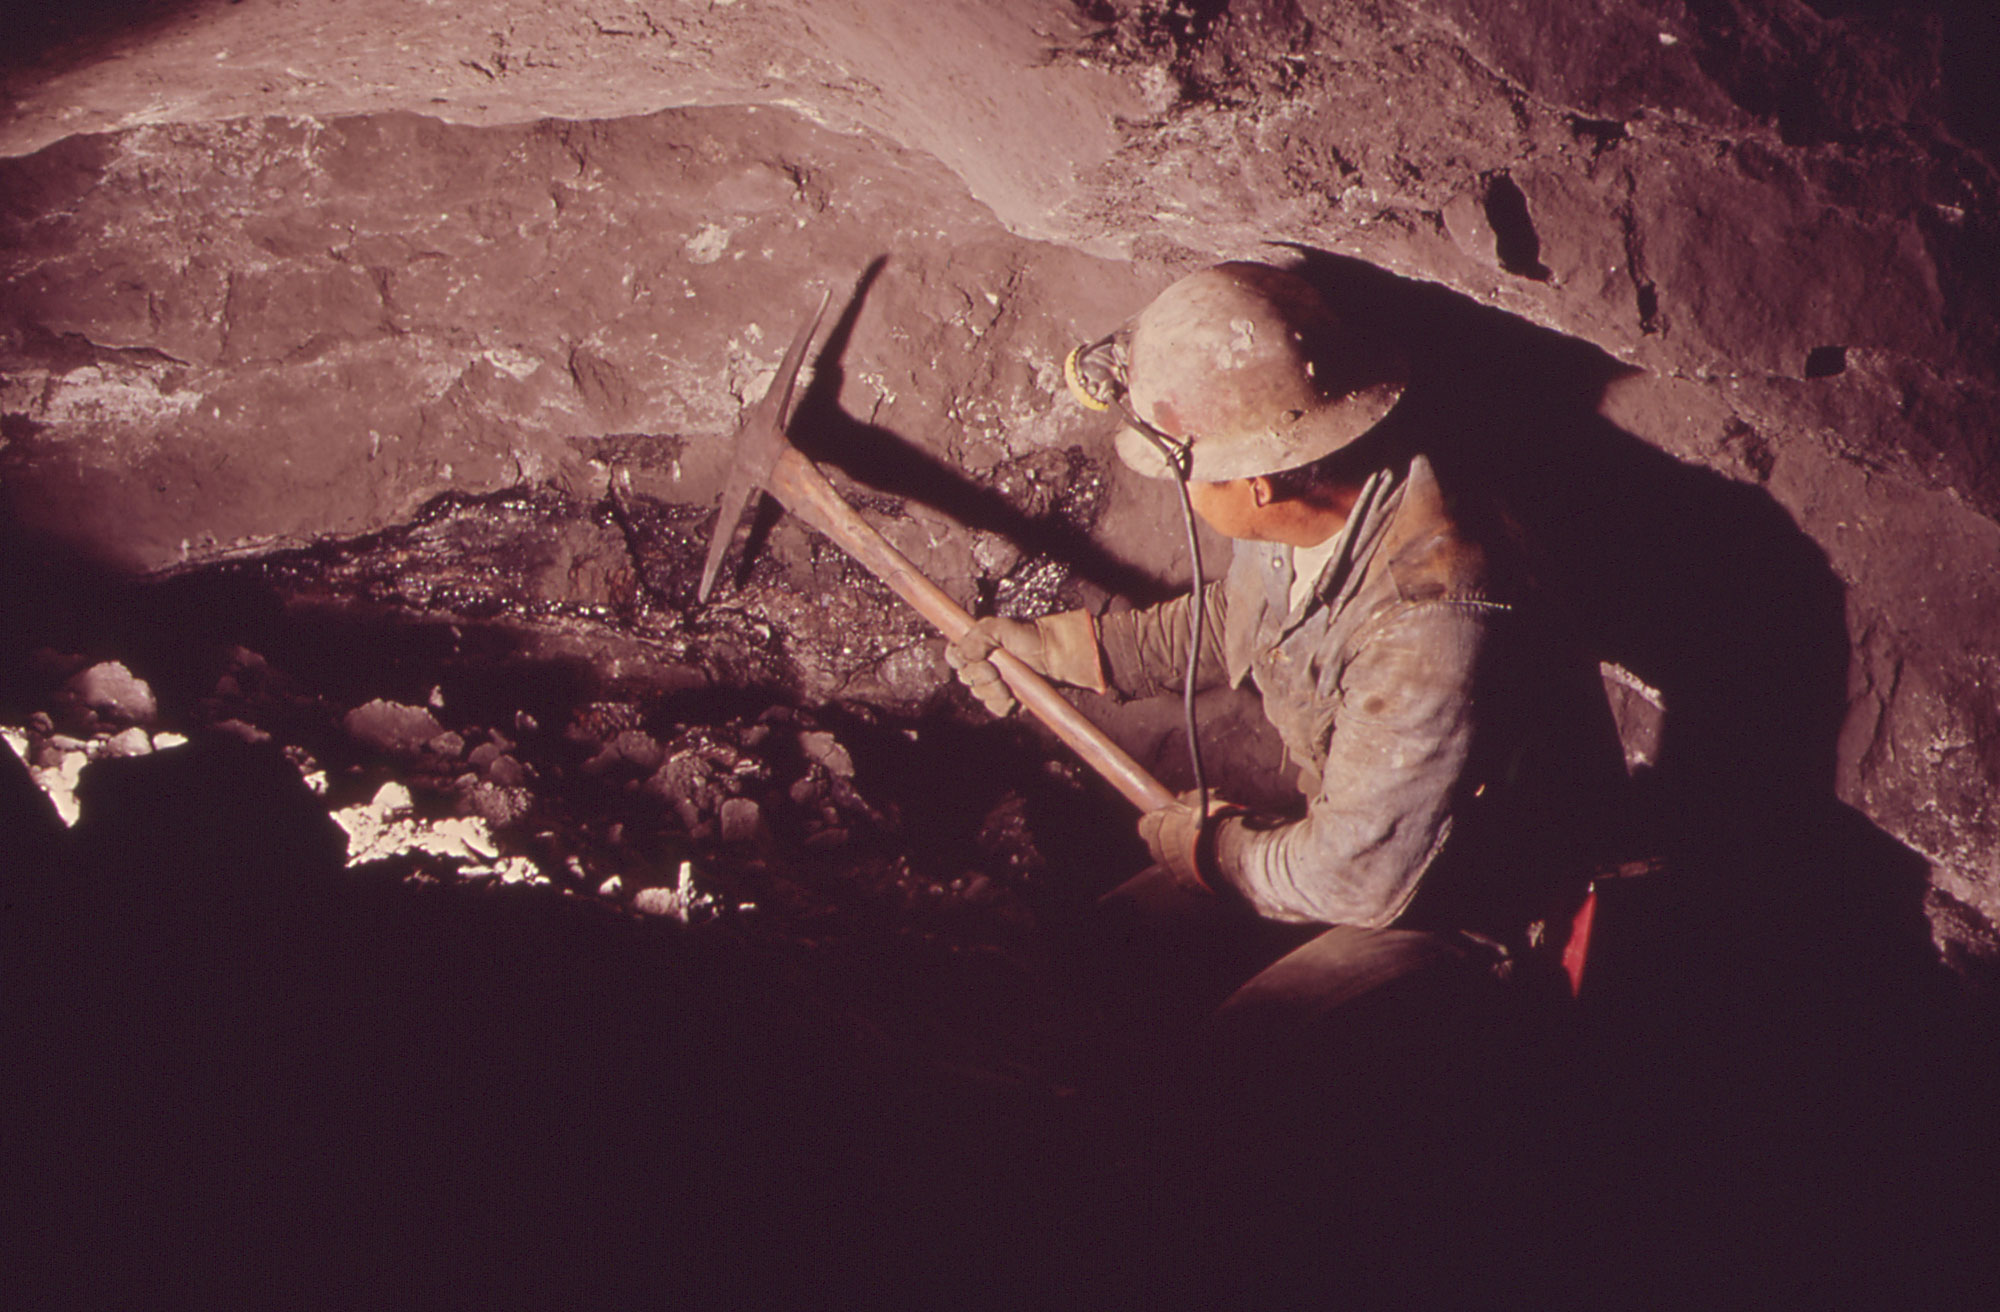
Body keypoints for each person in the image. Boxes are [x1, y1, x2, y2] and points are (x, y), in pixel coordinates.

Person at [948, 261, 1624, 1033]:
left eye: (1186, 473)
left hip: (1463, 904)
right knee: (1097, 948)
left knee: (1243, 1058)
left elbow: (1354, 879)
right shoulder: (1321, 488)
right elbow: (1244, 614)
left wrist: (1218, 855)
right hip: (1354, 833)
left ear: (1256, 484)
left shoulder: (1434, 617)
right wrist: (1064, 650)